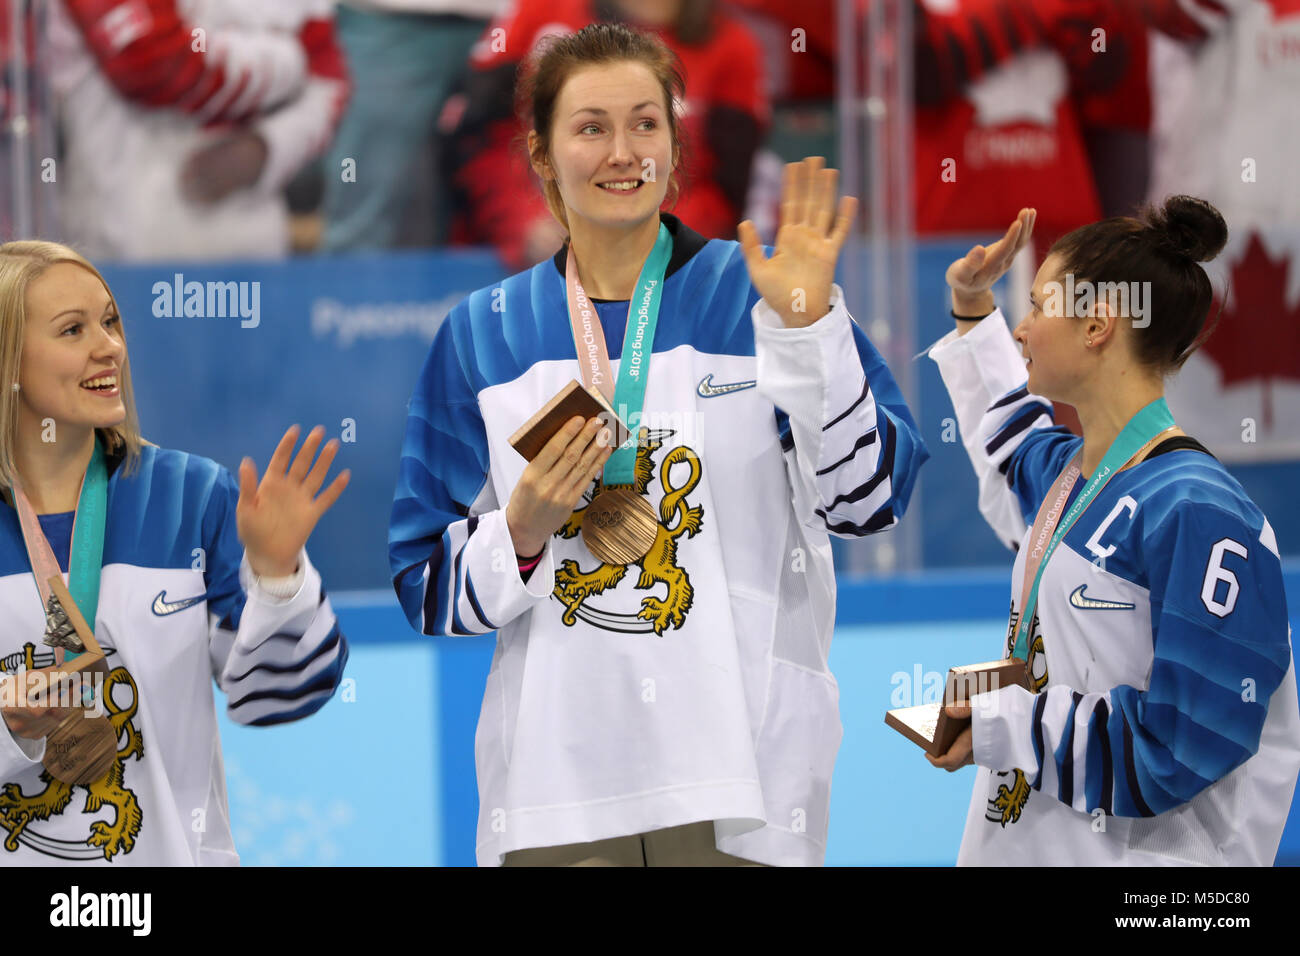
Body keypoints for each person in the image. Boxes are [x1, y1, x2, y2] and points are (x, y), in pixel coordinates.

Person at [389, 22, 927, 867]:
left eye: (647, 124)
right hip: (557, 795)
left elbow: (869, 503)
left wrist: (811, 331)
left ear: (678, 150)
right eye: (591, 126)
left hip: (744, 785)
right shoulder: (482, 335)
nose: (622, 150)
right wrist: (520, 530)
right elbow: (424, 588)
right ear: (541, 153)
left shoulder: (764, 294)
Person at [925, 200, 1300, 865]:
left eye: (1038, 306)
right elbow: (1011, 439)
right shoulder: (1076, 479)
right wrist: (969, 304)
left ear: (1098, 324)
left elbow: (1179, 744)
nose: (1021, 331)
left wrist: (1005, 719)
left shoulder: (1202, 515)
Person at [0, 241, 351, 865]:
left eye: (110, 321)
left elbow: (279, 695)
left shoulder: (190, 496)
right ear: (10, 364)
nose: (108, 346)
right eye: (73, 330)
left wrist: (276, 577)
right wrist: (12, 727)